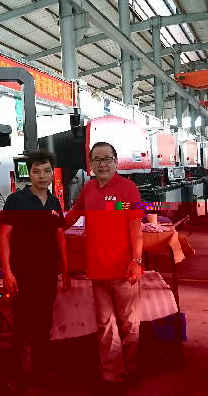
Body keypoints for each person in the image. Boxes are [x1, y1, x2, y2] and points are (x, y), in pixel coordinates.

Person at [64, 142, 144, 390]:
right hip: (98, 271)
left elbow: (135, 227)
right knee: (105, 325)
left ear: (116, 162)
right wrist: (49, 227)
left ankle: (130, 369)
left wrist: (136, 261)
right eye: (97, 159)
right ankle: (111, 373)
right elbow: (74, 215)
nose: (102, 164)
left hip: (124, 272)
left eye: (107, 159)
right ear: (90, 164)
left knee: (129, 324)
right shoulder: (88, 190)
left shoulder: (127, 190)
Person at [0, 149, 70, 386]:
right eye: (36, 171)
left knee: (44, 321)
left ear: (52, 173)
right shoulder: (16, 200)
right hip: (23, 274)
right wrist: (7, 272)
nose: (42, 176)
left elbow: (60, 236)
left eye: (47, 171)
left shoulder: (54, 202)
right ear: (29, 174)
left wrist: (65, 269)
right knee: (24, 323)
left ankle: (41, 369)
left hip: (48, 273)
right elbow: (4, 236)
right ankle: (24, 376)